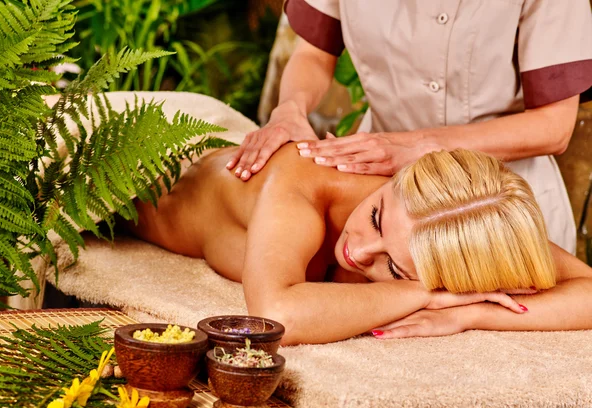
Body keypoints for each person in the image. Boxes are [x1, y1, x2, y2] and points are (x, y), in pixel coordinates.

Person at [128, 144, 591, 408]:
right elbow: (276, 315)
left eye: (392, 265)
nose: (358, 252)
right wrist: (421, 291)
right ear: (398, 176)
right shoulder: (300, 184)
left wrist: (470, 315)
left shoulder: (452, 221)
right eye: (375, 217)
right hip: (137, 183)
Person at [226, 0, 592, 255]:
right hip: (377, 193)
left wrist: (417, 146)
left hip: (497, 202)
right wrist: (291, 109)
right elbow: (313, 54)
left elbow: (554, 126)